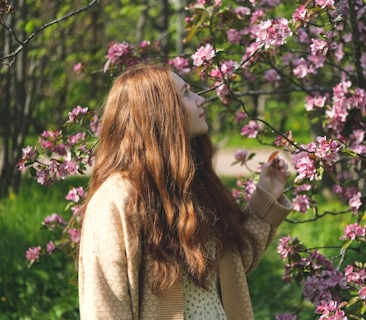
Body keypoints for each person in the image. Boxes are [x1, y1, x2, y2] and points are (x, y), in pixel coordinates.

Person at [78, 64, 292, 320]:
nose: (201, 100)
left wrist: (266, 196)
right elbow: (105, 309)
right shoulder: (116, 199)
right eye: (187, 94)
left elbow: (232, 268)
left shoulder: (195, 186)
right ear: (158, 111)